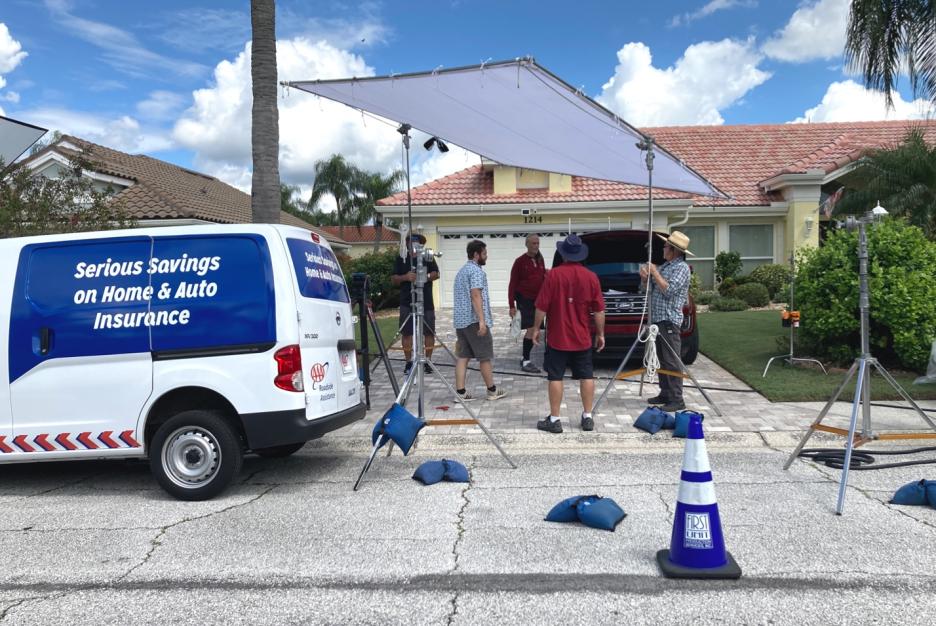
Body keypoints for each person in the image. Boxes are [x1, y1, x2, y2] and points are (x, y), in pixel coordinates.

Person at [531, 234, 605, 433]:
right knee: (586, 375)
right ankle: (587, 416)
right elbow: (599, 310)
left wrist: (536, 329)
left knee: (555, 377)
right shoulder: (591, 277)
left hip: (558, 337)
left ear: (563, 255)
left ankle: (555, 419)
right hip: (582, 337)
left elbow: (541, 307)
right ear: (580, 255)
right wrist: (601, 334)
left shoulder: (553, 275)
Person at [639, 230, 693, 412]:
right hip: (657, 320)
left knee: (671, 360)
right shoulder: (665, 266)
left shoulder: (681, 268)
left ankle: (677, 398)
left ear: (674, 250)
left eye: (665, 246)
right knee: (661, 359)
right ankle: (666, 393)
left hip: (669, 320)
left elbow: (668, 291)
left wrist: (654, 272)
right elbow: (648, 290)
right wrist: (645, 278)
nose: (663, 248)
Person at [452, 239, 507, 402]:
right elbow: (475, 294)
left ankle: (460, 393)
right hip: (474, 321)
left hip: (461, 322)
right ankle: (492, 391)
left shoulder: (462, 271)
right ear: (476, 255)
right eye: (484, 253)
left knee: (463, 357)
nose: (486, 256)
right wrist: (482, 321)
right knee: (484, 357)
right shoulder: (476, 271)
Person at [391, 233, 439, 375]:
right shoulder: (401, 258)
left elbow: (436, 273)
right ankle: (408, 362)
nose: (413, 245)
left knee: (429, 331)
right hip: (407, 301)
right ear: (406, 244)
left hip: (426, 300)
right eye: (410, 242)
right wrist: (406, 277)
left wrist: (425, 277)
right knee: (407, 333)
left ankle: (427, 361)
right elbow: (393, 279)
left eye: (417, 243)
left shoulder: (427, 256)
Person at [508, 234, 548, 373]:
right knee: (531, 329)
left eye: (537, 243)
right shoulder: (519, 261)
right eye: (533, 243)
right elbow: (512, 284)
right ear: (527, 244)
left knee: (536, 330)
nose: (536, 246)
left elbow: (542, 276)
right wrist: (511, 306)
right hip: (525, 299)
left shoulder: (540, 259)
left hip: (538, 300)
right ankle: (526, 360)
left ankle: (525, 358)